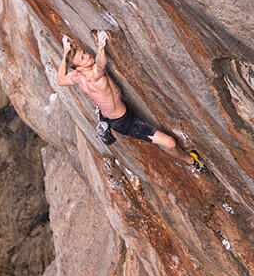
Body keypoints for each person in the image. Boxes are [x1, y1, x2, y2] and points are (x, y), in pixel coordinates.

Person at [57, 31, 208, 173]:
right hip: (125, 123)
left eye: (84, 53)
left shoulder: (77, 76)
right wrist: (101, 46)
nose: (87, 55)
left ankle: (102, 116)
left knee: (104, 105)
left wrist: (65, 52)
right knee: (170, 143)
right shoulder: (94, 74)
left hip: (108, 115)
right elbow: (101, 65)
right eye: (83, 58)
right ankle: (191, 161)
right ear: (79, 67)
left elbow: (60, 80)